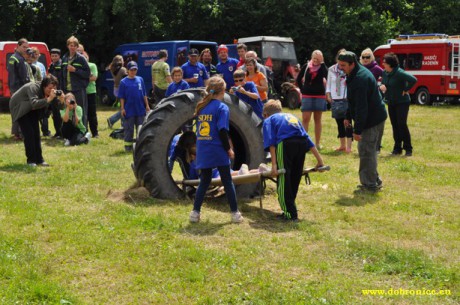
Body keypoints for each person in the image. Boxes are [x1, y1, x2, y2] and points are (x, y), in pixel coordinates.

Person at [189, 76, 243, 223]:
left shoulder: (202, 106)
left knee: (204, 181)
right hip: (217, 148)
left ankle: (195, 213)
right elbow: (222, 131)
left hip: (203, 148)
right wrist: (229, 149)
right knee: (227, 181)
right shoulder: (222, 107)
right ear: (223, 91)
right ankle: (235, 214)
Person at [262, 99, 324, 221]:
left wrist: (274, 165)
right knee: (295, 176)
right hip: (301, 145)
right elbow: (307, 138)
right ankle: (290, 209)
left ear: (265, 114)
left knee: (284, 178)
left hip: (285, 144)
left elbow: (272, 143)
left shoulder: (269, 120)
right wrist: (319, 160)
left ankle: (290, 214)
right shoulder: (292, 117)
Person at [338, 51, 388, 192]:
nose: (341, 68)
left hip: (372, 119)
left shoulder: (360, 79)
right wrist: (348, 116)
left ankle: (370, 185)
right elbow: (352, 100)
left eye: (343, 65)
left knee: (366, 151)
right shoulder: (354, 73)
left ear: (352, 64)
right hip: (374, 116)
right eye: (339, 65)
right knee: (368, 151)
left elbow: (362, 107)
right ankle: (374, 180)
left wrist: (357, 130)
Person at [9, 74, 59, 166]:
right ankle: (31, 161)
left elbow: (55, 107)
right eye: (50, 88)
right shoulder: (33, 87)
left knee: (36, 134)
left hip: (32, 109)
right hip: (20, 108)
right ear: (43, 86)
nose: (52, 90)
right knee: (29, 134)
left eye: (54, 88)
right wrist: (50, 99)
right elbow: (34, 104)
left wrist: (62, 100)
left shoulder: (49, 93)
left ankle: (39, 160)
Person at [380, 52, 417, 156]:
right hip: (391, 102)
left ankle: (408, 148)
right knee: (394, 125)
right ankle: (397, 148)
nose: (383, 64)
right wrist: (382, 86)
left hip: (402, 102)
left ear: (390, 64)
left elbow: (414, 79)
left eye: (385, 62)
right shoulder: (385, 72)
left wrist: (406, 89)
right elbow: (384, 82)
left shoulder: (399, 73)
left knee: (402, 124)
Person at [296, 50, 328, 148]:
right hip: (307, 96)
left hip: (320, 96)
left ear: (321, 59)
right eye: (314, 58)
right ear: (311, 57)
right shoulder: (306, 66)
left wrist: (322, 64)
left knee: (317, 119)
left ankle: (317, 143)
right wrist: (303, 89)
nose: (316, 61)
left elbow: (327, 76)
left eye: (318, 59)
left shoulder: (322, 67)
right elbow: (298, 79)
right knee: (305, 119)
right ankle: (304, 142)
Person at [118, 61, 151, 152]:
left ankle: (140, 146)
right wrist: (122, 108)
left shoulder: (140, 79)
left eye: (135, 70)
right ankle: (128, 147)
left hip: (140, 109)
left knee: (141, 129)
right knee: (129, 129)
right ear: (128, 70)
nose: (133, 71)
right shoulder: (123, 82)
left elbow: (144, 94)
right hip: (129, 110)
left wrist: (147, 105)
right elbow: (122, 97)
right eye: (131, 70)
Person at [326, 49, 352, 153]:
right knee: (339, 123)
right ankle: (342, 145)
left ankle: (349, 147)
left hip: (345, 98)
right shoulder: (331, 69)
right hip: (335, 98)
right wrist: (328, 94)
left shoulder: (349, 69)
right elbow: (328, 83)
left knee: (348, 122)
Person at [61, 36, 91, 128]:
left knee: (80, 110)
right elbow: (62, 74)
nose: (72, 47)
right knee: (68, 110)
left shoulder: (81, 58)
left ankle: (83, 131)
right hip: (67, 89)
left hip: (78, 89)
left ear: (77, 47)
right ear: (68, 46)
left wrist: (75, 70)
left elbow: (87, 73)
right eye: (71, 45)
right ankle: (70, 132)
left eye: (74, 45)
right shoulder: (64, 58)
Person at [360, 47, 385, 153]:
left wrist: (382, 85)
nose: (365, 59)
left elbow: (386, 76)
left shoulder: (376, 68)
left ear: (371, 57)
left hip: (374, 98)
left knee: (376, 122)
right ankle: (365, 145)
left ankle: (377, 146)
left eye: (368, 57)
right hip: (362, 98)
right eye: (363, 57)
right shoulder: (360, 68)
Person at [8, 38, 30, 140]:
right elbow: (24, 77)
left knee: (15, 111)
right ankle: (21, 134)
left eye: (27, 47)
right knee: (22, 111)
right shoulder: (20, 59)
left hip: (13, 88)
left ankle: (16, 133)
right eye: (24, 47)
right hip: (20, 88)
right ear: (18, 46)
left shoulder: (12, 57)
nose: (26, 49)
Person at [107, 55, 128, 129]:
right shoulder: (123, 69)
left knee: (123, 107)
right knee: (125, 108)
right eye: (122, 59)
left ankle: (122, 124)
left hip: (116, 89)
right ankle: (112, 120)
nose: (123, 61)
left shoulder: (112, 69)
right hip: (122, 89)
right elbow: (126, 80)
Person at [48, 48, 64, 138]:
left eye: (56, 56)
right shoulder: (51, 65)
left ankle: (62, 132)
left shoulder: (61, 65)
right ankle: (57, 132)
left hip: (59, 92)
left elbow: (62, 80)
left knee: (60, 113)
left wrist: (61, 91)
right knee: (54, 114)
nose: (54, 57)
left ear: (59, 56)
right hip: (53, 92)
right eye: (52, 56)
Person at [83, 51, 99, 138]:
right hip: (81, 92)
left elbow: (94, 77)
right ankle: (84, 131)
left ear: (88, 57)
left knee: (92, 113)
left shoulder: (92, 65)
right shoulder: (80, 66)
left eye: (85, 57)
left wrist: (82, 77)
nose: (84, 58)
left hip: (91, 92)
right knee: (82, 113)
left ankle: (95, 132)